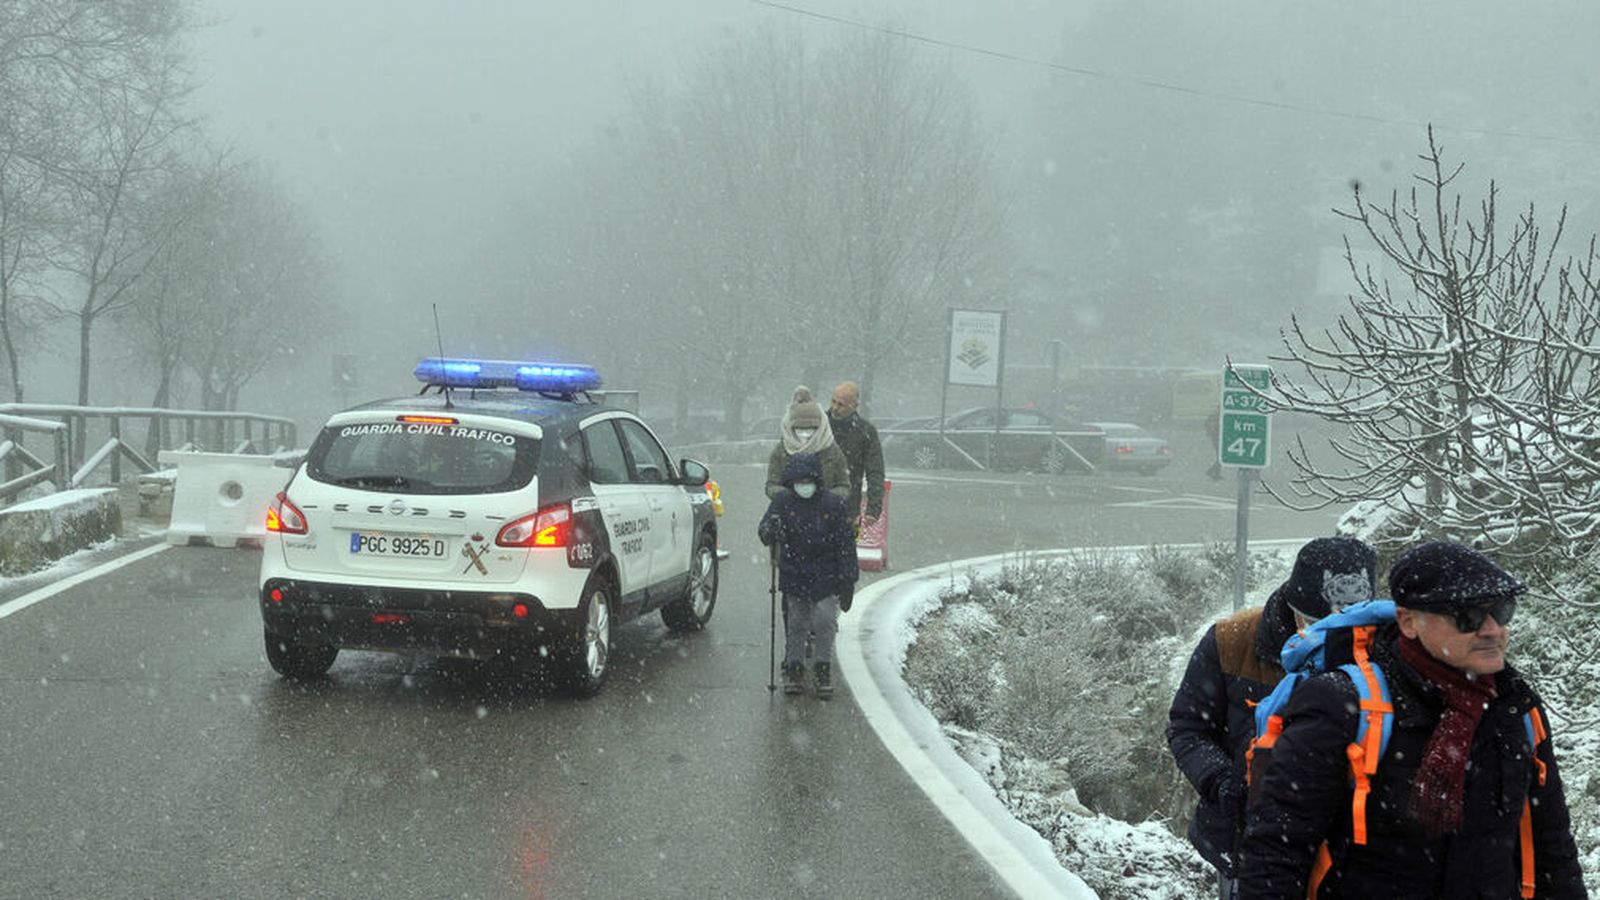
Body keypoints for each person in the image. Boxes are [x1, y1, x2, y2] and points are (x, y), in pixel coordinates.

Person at [1238, 541, 1586, 899]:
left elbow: (1552, 850)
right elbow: (1276, 852)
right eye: (1467, 617)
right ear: (1408, 621)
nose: (1492, 629)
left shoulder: (1516, 709)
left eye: (1502, 611)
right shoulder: (1343, 705)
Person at [1167, 536, 1377, 899]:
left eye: (1345, 627)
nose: (1325, 638)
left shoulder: (1383, 652)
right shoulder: (1230, 642)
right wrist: (1222, 782)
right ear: (1292, 603)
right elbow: (1189, 727)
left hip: (1347, 852)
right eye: (1314, 623)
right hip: (1245, 842)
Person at [757, 452, 859, 699]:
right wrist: (771, 530)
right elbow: (763, 532)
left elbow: (846, 543)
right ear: (792, 482)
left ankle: (822, 666)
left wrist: (848, 578)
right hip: (794, 572)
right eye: (799, 481)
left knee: (825, 621)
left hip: (826, 573)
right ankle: (795, 666)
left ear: (817, 480)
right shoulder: (782, 502)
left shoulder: (832, 505)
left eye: (808, 480)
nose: (804, 486)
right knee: (797, 622)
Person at [766, 386, 850, 502]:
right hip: (789, 514)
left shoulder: (832, 451)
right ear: (790, 428)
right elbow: (771, 485)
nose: (805, 434)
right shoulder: (781, 451)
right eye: (799, 429)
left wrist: (827, 497)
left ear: (820, 428)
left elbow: (844, 486)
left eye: (810, 429)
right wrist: (788, 496)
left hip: (825, 514)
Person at [827, 380, 885, 529]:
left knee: (844, 551)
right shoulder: (820, 425)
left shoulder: (866, 432)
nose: (835, 408)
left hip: (848, 509)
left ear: (854, 406)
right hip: (816, 505)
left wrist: (873, 508)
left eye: (841, 404)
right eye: (833, 401)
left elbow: (875, 471)